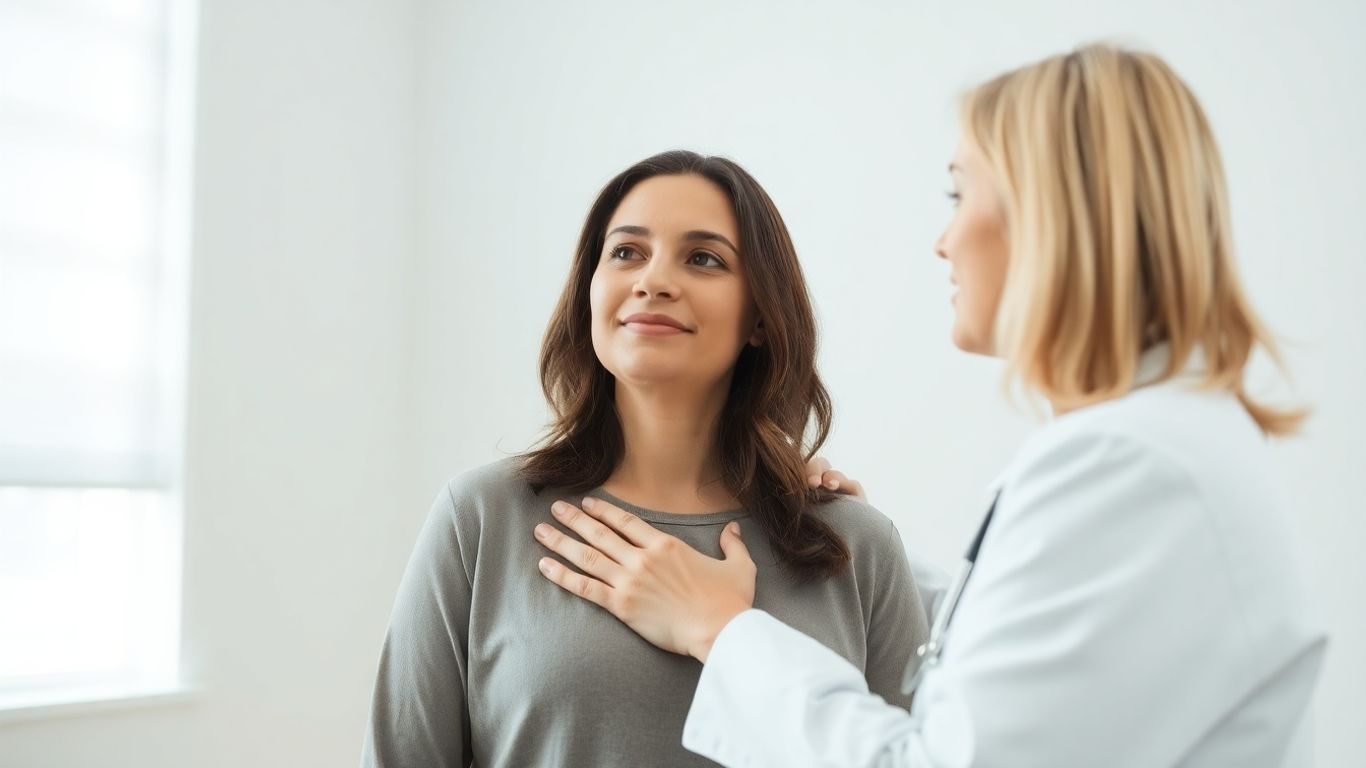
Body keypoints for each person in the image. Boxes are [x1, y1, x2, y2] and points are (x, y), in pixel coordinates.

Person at [534, 45, 1327, 767]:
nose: (943, 240)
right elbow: (1045, 680)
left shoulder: (1125, 464)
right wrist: (863, 557)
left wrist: (722, 630)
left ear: (1047, 210)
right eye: (627, 251)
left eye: (959, 193)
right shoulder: (1153, 447)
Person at [361, 150, 930, 767]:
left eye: (704, 258)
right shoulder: (480, 519)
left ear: (761, 318)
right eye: (627, 252)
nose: (653, 280)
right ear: (590, 290)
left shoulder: (857, 548)